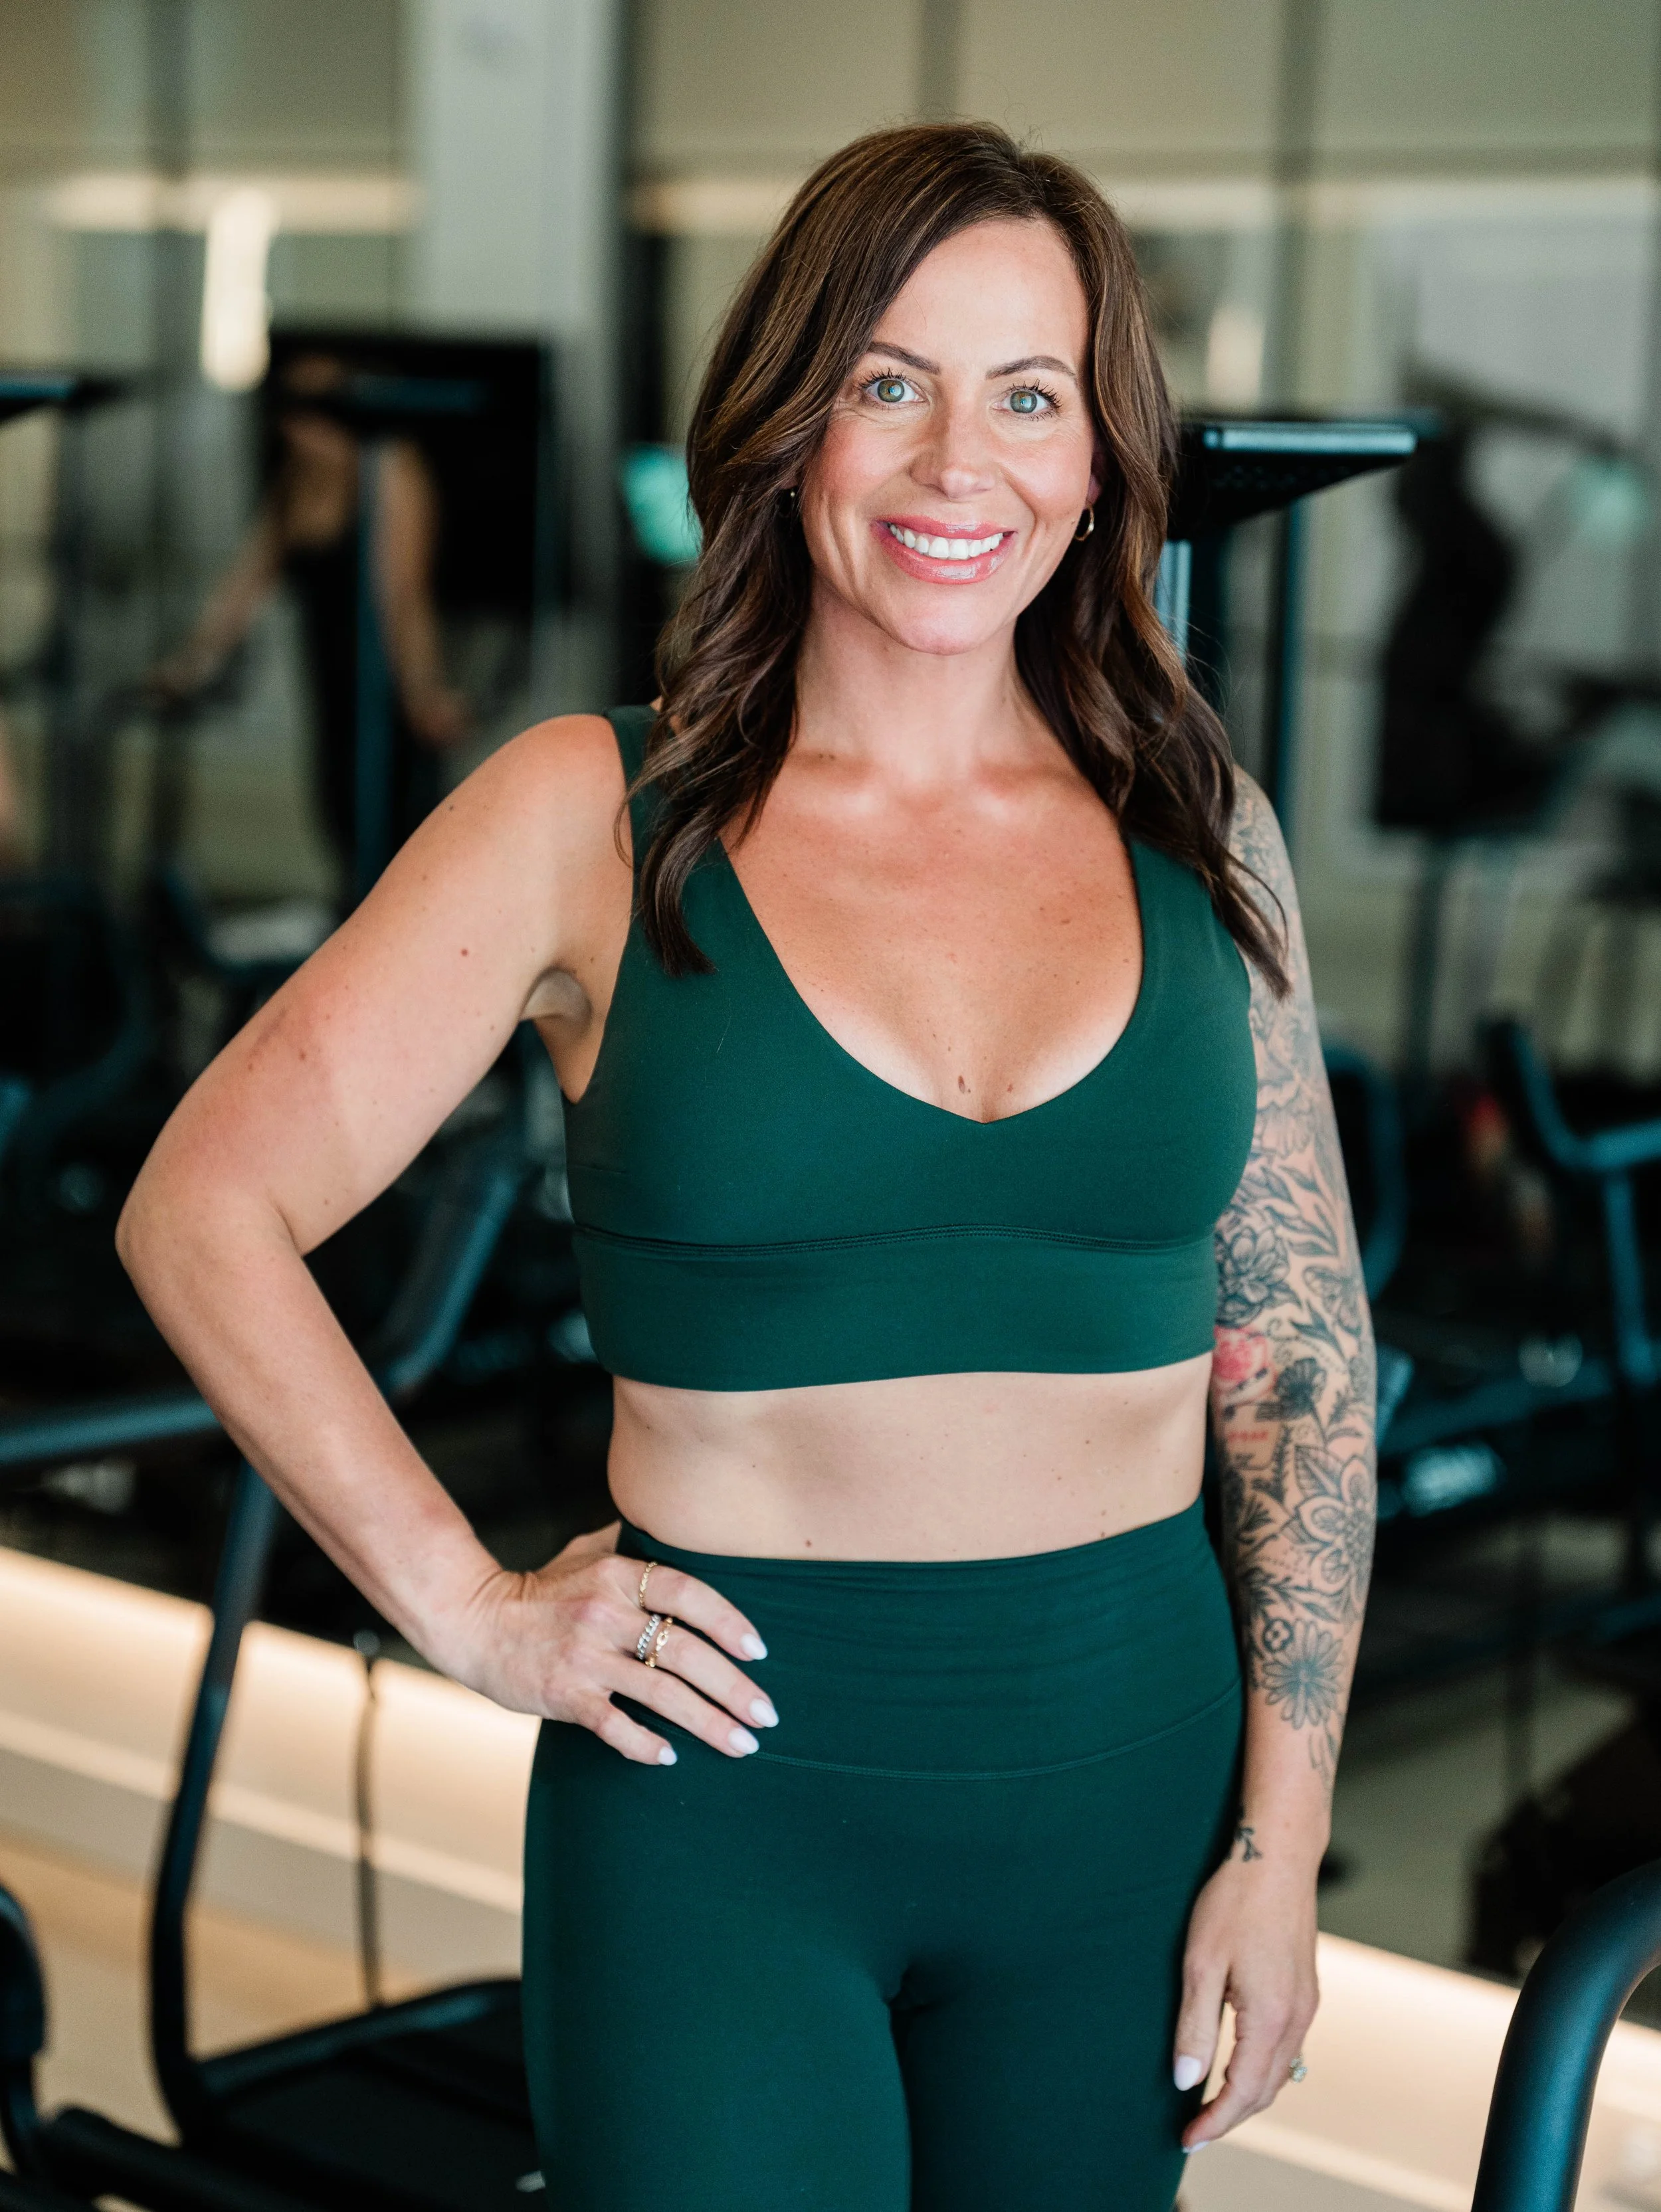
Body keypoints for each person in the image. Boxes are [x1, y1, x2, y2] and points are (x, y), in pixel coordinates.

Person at [117, 123, 1375, 2212]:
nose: (953, 463)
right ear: (789, 422)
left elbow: (1303, 1348)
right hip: (724, 1815)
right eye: (886, 381)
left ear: (1093, 458)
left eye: (1025, 394)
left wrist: (1280, 1836)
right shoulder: (586, 814)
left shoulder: (1193, 826)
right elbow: (202, 1205)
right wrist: (469, 1607)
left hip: (1125, 1810)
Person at [151, 352, 469, 892]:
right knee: (339, 823)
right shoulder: (298, 485)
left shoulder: (388, 470)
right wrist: (188, 668)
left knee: (397, 844)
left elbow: (405, 599)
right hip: (329, 683)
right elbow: (244, 586)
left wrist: (423, 694)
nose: (301, 430)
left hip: (385, 695)